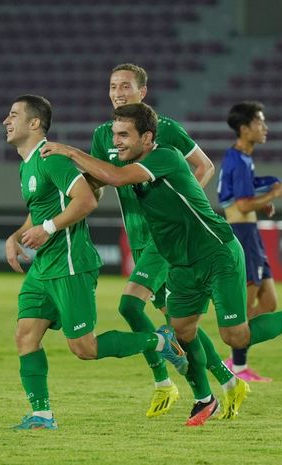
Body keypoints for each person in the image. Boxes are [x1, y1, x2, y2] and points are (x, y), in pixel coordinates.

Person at [41, 103, 282, 427]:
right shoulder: (130, 162)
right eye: (115, 134)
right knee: (182, 329)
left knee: (236, 337)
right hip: (181, 264)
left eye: (124, 135)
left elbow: (115, 177)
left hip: (216, 254)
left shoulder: (163, 157)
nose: (116, 141)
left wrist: (66, 150)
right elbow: (97, 181)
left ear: (147, 137)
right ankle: (206, 399)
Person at [2, 95, 188, 431]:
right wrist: (16, 236)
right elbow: (40, 210)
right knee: (25, 336)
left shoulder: (50, 159)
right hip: (45, 266)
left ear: (34, 123)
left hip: (70, 263)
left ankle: (159, 341)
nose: (5, 120)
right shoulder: (27, 164)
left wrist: (47, 229)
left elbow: (86, 200)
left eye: (13, 114)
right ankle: (42, 416)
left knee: (84, 348)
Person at [89, 63, 248, 420]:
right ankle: (226, 382)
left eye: (125, 86)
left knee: (130, 306)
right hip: (139, 239)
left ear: (142, 93)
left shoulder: (165, 130)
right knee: (178, 322)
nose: (118, 92)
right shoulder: (104, 135)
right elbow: (102, 180)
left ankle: (166, 384)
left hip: (167, 241)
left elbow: (203, 167)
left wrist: (182, 212)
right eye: (112, 85)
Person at [217, 101, 282, 382]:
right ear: (245, 129)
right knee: (245, 305)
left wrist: (266, 195)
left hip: (250, 233)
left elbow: (247, 195)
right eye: (260, 122)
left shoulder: (243, 159)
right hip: (241, 234)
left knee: (268, 302)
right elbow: (244, 205)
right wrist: (273, 195)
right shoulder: (236, 159)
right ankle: (238, 364)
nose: (265, 127)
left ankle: (236, 347)